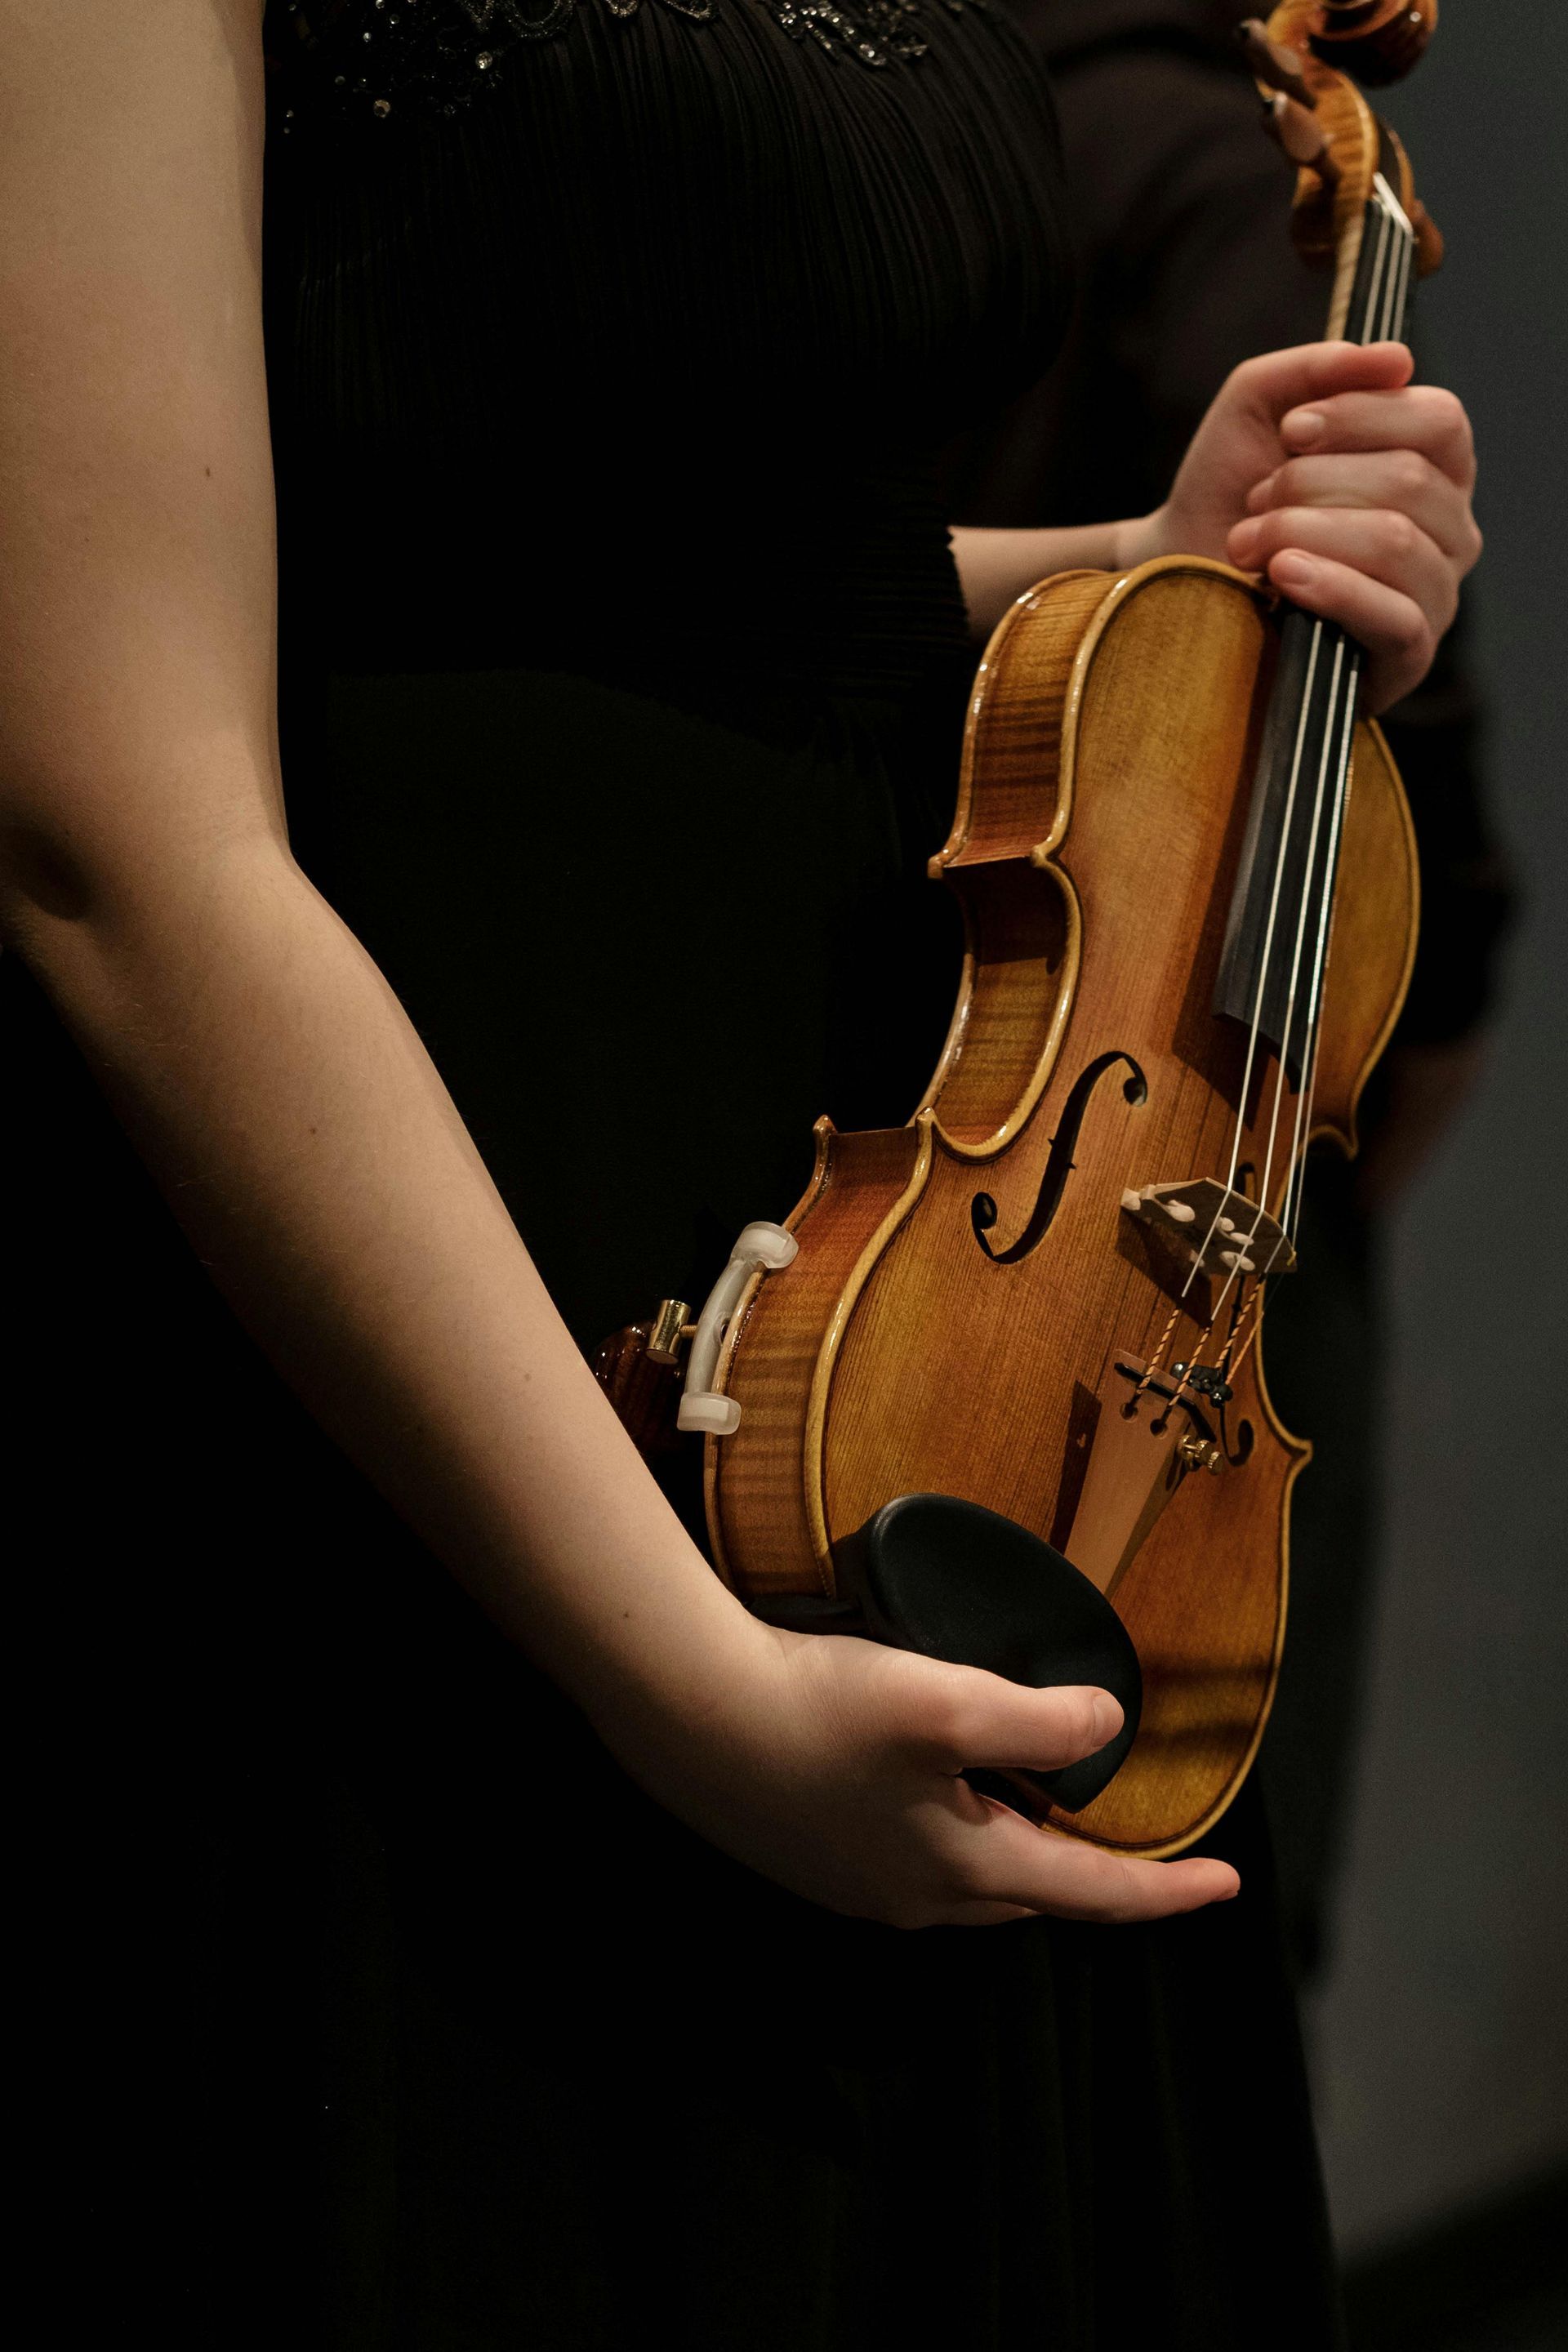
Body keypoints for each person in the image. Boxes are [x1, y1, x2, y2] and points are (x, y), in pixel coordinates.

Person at [0, 3, 1480, 2344]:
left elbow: (690, 544)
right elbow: (117, 844)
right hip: (444, 1346)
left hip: (908, 1325)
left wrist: (1143, 562)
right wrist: (687, 1682)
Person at [953, 0, 1513, 1983]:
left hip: (964, 1144)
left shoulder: (934, 129)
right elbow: (1397, 749)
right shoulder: (1209, 175)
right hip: (1201, 1148)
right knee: (1192, 1926)